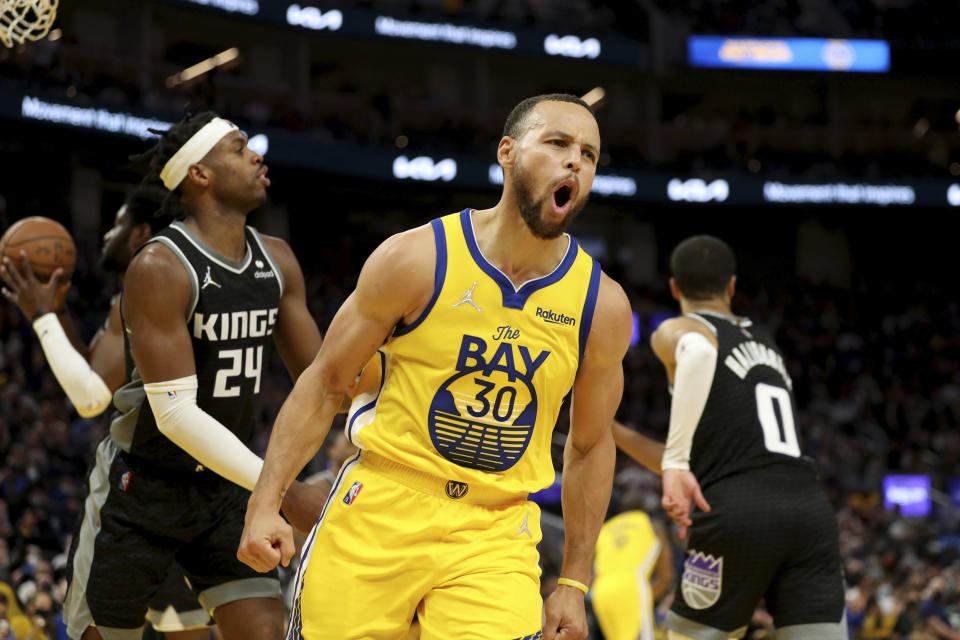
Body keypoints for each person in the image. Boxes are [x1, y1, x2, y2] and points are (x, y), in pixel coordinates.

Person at [238, 93, 634, 640]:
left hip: (495, 531)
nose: (576, 162)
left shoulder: (602, 305)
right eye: (559, 143)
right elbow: (327, 383)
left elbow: (590, 445)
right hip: (382, 506)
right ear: (508, 152)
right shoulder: (416, 257)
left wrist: (574, 580)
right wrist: (265, 502)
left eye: (589, 155)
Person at [56, 111, 329, 640]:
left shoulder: (277, 261)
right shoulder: (161, 265)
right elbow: (177, 415)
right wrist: (282, 489)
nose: (257, 155)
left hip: (226, 488)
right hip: (141, 490)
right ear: (199, 174)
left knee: (269, 632)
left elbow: (323, 381)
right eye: (238, 147)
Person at [1, 186, 221, 640]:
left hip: (136, 489)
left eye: (116, 224)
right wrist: (58, 311)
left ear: (140, 232)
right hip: (195, 490)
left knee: (90, 627)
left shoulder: (141, 295)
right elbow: (99, 368)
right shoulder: (188, 288)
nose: (105, 236)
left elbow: (91, 396)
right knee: (187, 626)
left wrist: (41, 316)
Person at [645, 235, 845, 639]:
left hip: (738, 510)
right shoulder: (765, 339)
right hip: (809, 509)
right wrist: (612, 433)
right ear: (732, 286)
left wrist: (675, 462)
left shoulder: (681, 327)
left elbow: (698, 353)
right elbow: (715, 455)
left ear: (674, 288)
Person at [591, 503, 674, 640]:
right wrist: (648, 597)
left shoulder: (606, 527)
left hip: (600, 591)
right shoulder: (651, 523)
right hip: (632, 586)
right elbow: (666, 575)